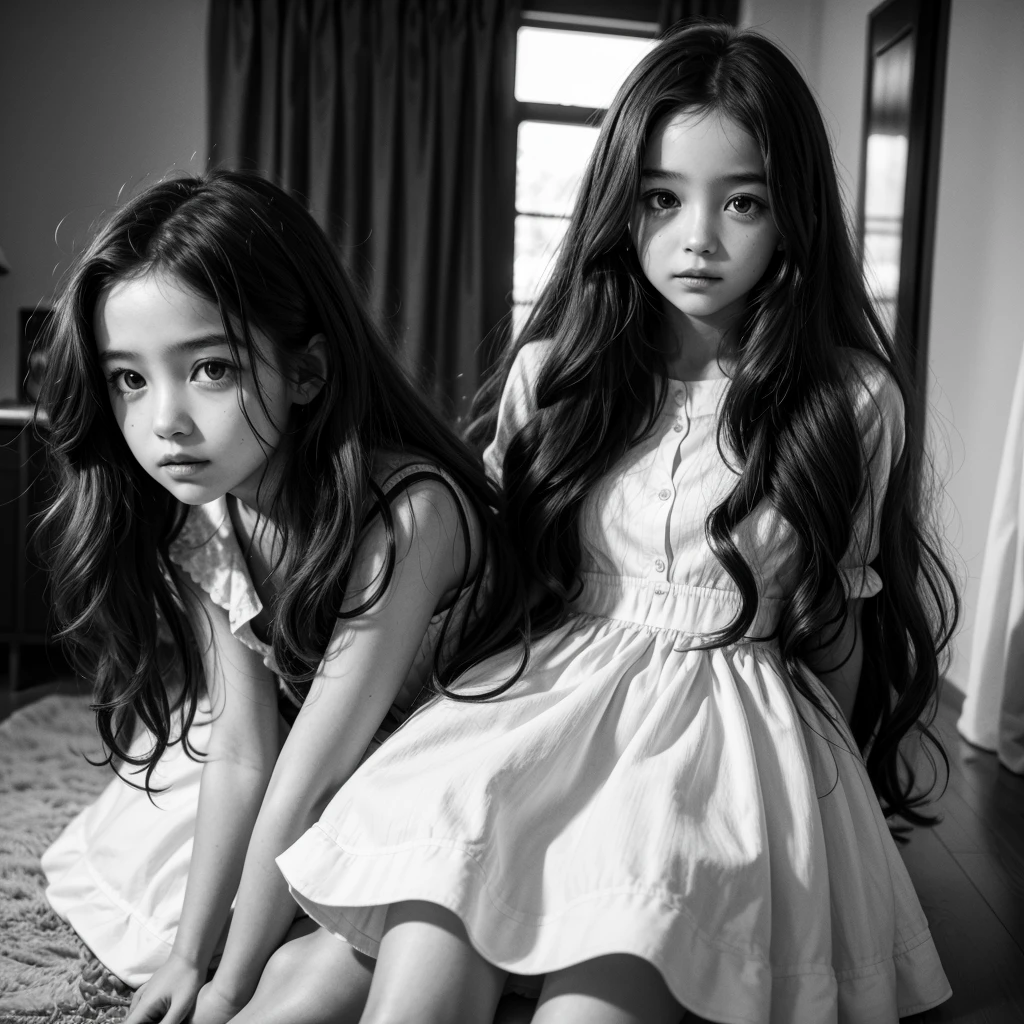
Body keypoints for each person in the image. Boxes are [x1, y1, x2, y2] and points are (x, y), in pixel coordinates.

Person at [269, 23, 958, 1024]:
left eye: (744, 202)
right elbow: (504, 591)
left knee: (595, 995)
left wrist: (829, 804)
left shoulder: (850, 400)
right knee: (411, 968)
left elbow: (835, 635)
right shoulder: (559, 375)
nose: (699, 240)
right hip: (544, 711)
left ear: (793, 215)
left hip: (720, 747)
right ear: (619, 205)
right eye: (661, 199)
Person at [36, 170, 527, 1024]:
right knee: (190, 912)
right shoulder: (211, 507)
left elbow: (310, 775)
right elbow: (243, 750)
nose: (166, 422)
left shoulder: (410, 512)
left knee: (317, 977)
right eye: (130, 380)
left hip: (455, 767)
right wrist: (196, 958)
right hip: (338, 764)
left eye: (211, 369)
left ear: (305, 371)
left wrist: (228, 984)